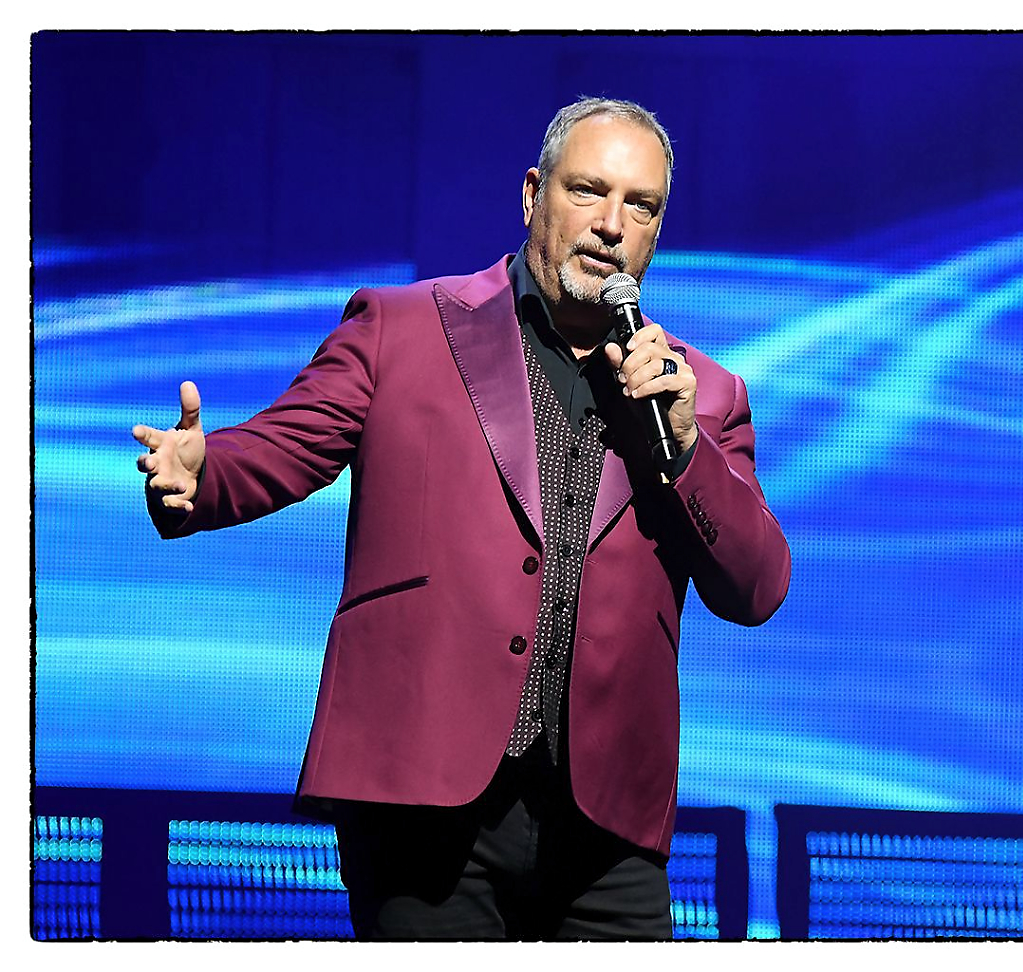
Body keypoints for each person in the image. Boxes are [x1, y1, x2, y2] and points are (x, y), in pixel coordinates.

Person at [132, 98, 791, 940]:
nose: (611, 224)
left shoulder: (703, 394)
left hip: (606, 825)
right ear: (533, 194)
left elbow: (757, 586)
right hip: (425, 796)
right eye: (588, 191)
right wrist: (202, 473)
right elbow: (287, 445)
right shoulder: (405, 328)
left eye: (641, 205)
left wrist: (687, 447)